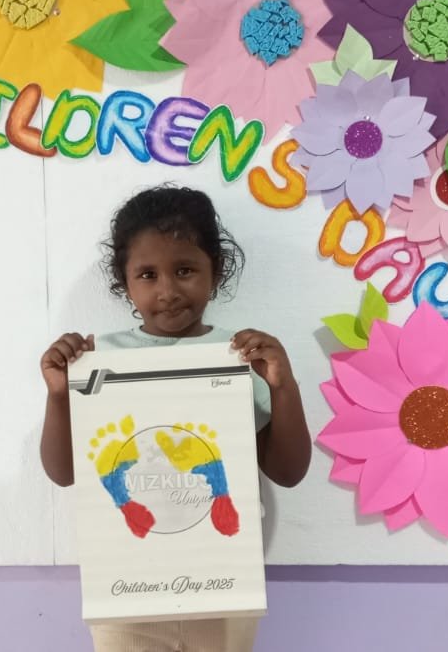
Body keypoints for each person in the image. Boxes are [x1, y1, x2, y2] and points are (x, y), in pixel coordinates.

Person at [39, 184, 312, 652]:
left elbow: (288, 472)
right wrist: (60, 397)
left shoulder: (239, 356)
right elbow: (64, 473)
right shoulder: (99, 361)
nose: (167, 291)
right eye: (147, 275)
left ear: (214, 271)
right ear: (125, 282)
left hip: (222, 584)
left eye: (184, 270)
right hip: (126, 589)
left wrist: (283, 386)